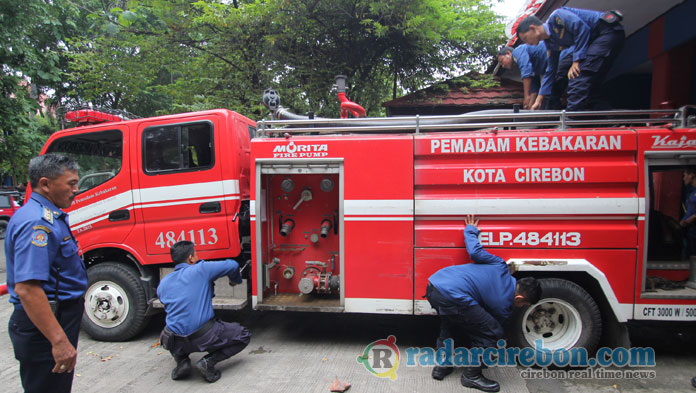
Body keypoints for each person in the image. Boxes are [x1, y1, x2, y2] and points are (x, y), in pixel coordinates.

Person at [426, 215, 541, 392]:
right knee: (493, 333)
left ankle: (442, 365)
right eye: (524, 304)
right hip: (454, 296)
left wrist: (470, 230)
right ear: (519, 298)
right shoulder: (503, 305)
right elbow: (488, 330)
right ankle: (471, 376)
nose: (522, 307)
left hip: (435, 285)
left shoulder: (500, 265)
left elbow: (475, 252)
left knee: (452, 322)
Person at [5, 154, 87, 393]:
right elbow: (28, 289)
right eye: (71, 183)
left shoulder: (49, 215)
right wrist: (59, 341)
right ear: (45, 184)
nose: (76, 189)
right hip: (45, 325)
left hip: (56, 318)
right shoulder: (37, 224)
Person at [158, 240, 251, 383]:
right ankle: (208, 362)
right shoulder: (201, 269)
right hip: (204, 336)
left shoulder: (163, 283)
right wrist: (234, 280)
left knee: (169, 329)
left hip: (174, 341)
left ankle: (182, 361)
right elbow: (233, 265)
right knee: (243, 334)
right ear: (191, 258)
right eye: (196, 254)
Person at [516, 8, 625, 111]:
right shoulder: (550, 43)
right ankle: (611, 123)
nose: (527, 43)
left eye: (525, 38)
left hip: (606, 32)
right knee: (590, 86)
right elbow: (551, 70)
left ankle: (572, 120)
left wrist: (576, 61)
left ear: (533, 28)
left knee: (577, 76)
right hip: (595, 42)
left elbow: (582, 29)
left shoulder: (557, 17)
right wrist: (539, 100)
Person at [497, 43, 572, 110]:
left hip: (564, 56)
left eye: (502, 61)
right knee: (551, 93)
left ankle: (553, 122)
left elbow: (526, 71)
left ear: (508, 53)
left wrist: (526, 97)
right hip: (558, 63)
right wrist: (530, 105)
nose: (503, 66)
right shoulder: (531, 62)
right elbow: (534, 87)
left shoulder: (517, 51)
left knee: (550, 94)